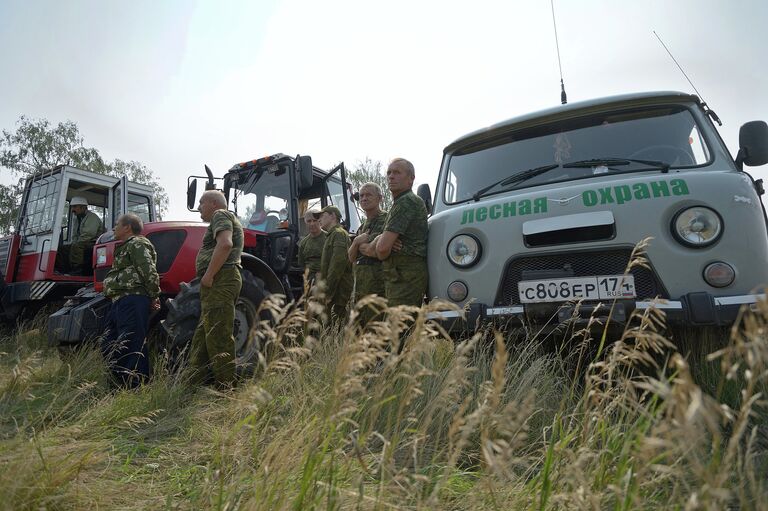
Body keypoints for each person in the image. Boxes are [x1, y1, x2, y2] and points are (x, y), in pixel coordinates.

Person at [190, 190, 244, 387]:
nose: (198, 208)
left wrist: (209, 275)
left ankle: (226, 389)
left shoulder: (220, 215)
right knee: (204, 334)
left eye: (201, 202)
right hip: (219, 281)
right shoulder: (223, 217)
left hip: (220, 279)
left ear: (214, 203)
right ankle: (192, 384)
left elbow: (225, 244)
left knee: (218, 335)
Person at [101, 213, 161, 388]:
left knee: (131, 343)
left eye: (117, 224)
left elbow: (148, 270)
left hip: (133, 299)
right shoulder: (125, 246)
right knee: (109, 343)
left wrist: (153, 295)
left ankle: (135, 386)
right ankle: (118, 383)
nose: (114, 228)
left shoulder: (137, 243)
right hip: (119, 300)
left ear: (127, 227)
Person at [373, 158, 428, 307]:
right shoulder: (400, 202)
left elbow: (382, 250)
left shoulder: (406, 201)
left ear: (411, 179)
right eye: (389, 172)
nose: (391, 176)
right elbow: (384, 245)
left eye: (397, 172)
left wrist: (382, 243)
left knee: (398, 328)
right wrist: (382, 239)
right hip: (400, 277)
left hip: (406, 278)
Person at [348, 183, 387, 323]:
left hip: (378, 286)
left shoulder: (386, 220)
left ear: (380, 198)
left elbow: (374, 250)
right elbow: (351, 257)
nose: (363, 198)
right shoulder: (362, 227)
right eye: (362, 195)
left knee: (377, 327)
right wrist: (357, 242)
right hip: (360, 287)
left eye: (368, 195)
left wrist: (362, 247)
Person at [317, 205, 353, 322]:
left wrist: (327, 292)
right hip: (334, 291)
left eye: (322, 216)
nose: (319, 219)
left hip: (338, 293)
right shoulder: (332, 235)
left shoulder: (338, 234)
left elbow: (337, 266)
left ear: (333, 216)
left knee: (337, 328)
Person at [58, 196, 105, 274]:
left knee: (77, 246)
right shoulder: (77, 218)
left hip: (96, 242)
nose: (73, 210)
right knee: (62, 249)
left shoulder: (92, 217)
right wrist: (73, 242)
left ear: (83, 207)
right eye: (72, 207)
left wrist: (75, 243)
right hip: (84, 241)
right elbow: (75, 235)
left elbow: (89, 234)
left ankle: (78, 269)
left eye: (75, 207)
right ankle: (63, 270)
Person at [298, 209, 326, 286]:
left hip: (326, 280)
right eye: (309, 221)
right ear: (305, 223)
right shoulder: (303, 243)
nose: (312, 224)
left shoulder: (328, 238)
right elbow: (302, 264)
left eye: (315, 220)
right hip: (310, 281)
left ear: (320, 221)